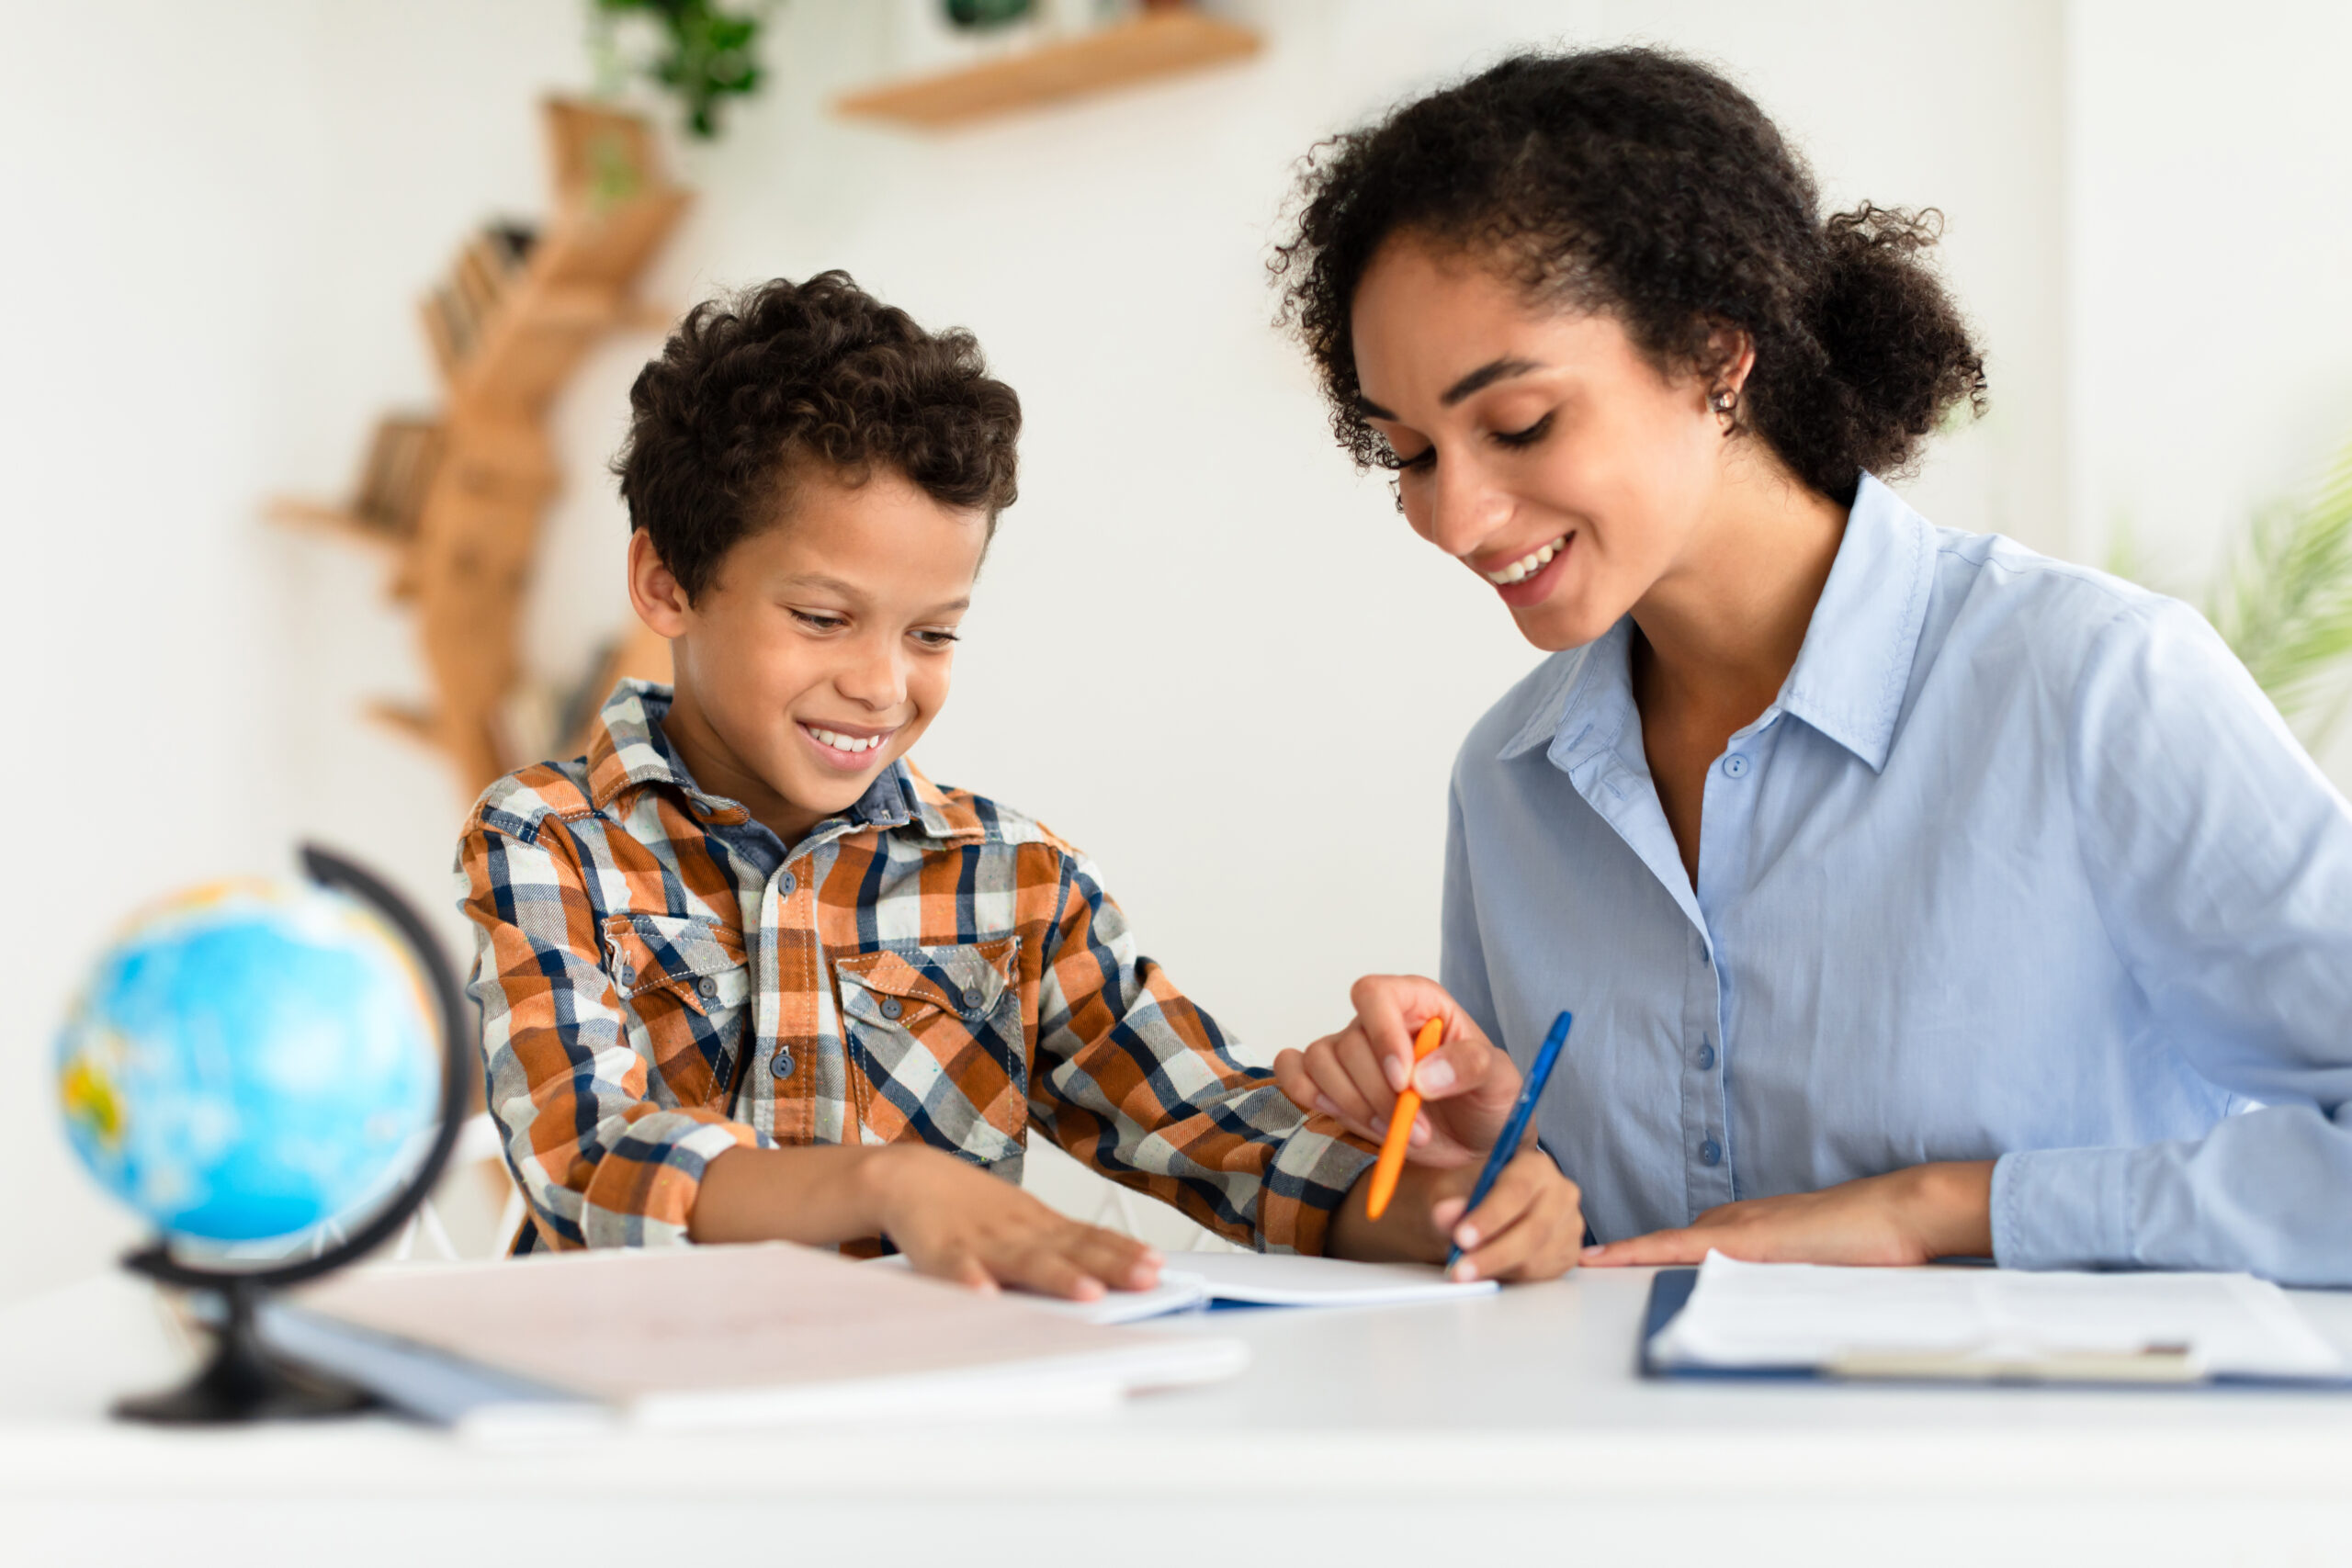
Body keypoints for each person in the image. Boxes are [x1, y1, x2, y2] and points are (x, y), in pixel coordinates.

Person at [1267, 48, 2352, 1284]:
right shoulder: (1513, 780)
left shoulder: (2092, 685)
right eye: (1406, 453)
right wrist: (1490, 1172)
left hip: (2050, 1472)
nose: (1452, 518)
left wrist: (1947, 1206)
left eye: (1518, 425)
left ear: (1717, 357)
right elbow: (1579, 1262)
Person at [453, 272, 1584, 1296]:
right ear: (665, 581)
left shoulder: (1017, 882)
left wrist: (1450, 1212)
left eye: (934, 633)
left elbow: (1218, 1133)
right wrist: (890, 1186)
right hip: (634, 1445)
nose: (882, 685)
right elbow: (586, 1159)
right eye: (820, 619)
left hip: (932, 1438)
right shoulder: (549, 841)